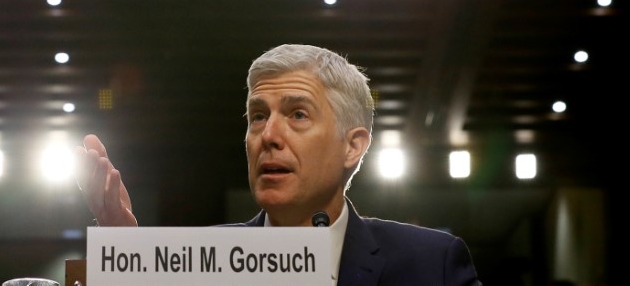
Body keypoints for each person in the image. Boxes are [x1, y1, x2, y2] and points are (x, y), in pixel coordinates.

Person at [76, 43, 482, 285]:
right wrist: (122, 260)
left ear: (352, 146)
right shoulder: (199, 265)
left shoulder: (432, 266)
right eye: (257, 116)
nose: (268, 135)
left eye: (298, 115)